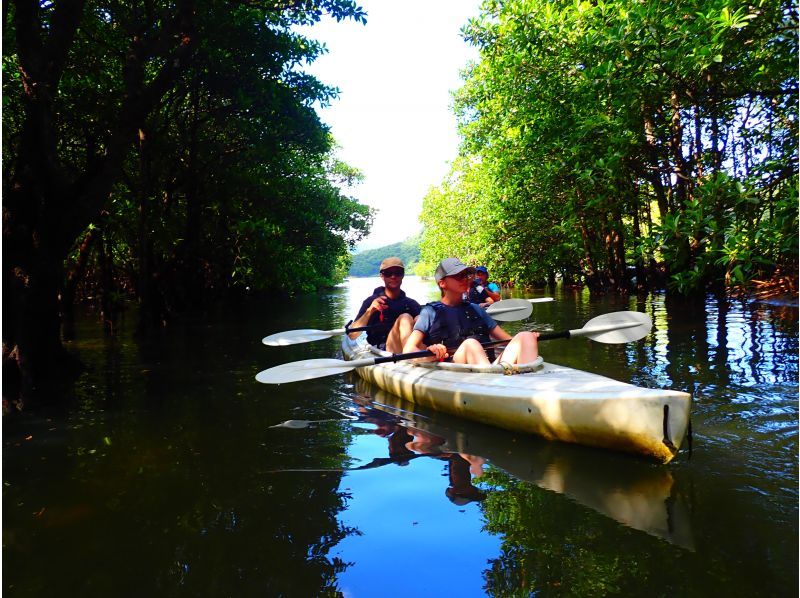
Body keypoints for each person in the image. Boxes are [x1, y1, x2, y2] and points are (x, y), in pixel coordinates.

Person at [403, 257, 539, 366]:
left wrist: (531, 338)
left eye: (465, 275)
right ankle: (493, 388)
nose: (465, 279)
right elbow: (408, 350)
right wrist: (430, 353)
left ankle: (528, 387)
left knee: (525, 336)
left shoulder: (476, 309)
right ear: (442, 283)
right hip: (454, 370)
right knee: (471, 344)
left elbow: (507, 340)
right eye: (458, 276)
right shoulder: (430, 312)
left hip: (489, 368)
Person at [347, 257, 421, 353]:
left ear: (402, 275)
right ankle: (413, 356)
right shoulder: (371, 302)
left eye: (398, 272)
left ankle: (424, 355)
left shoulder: (411, 304)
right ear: (382, 276)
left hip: (407, 349)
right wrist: (370, 311)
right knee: (405, 318)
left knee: (420, 318)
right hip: (382, 350)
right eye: (388, 273)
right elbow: (352, 335)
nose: (393, 276)